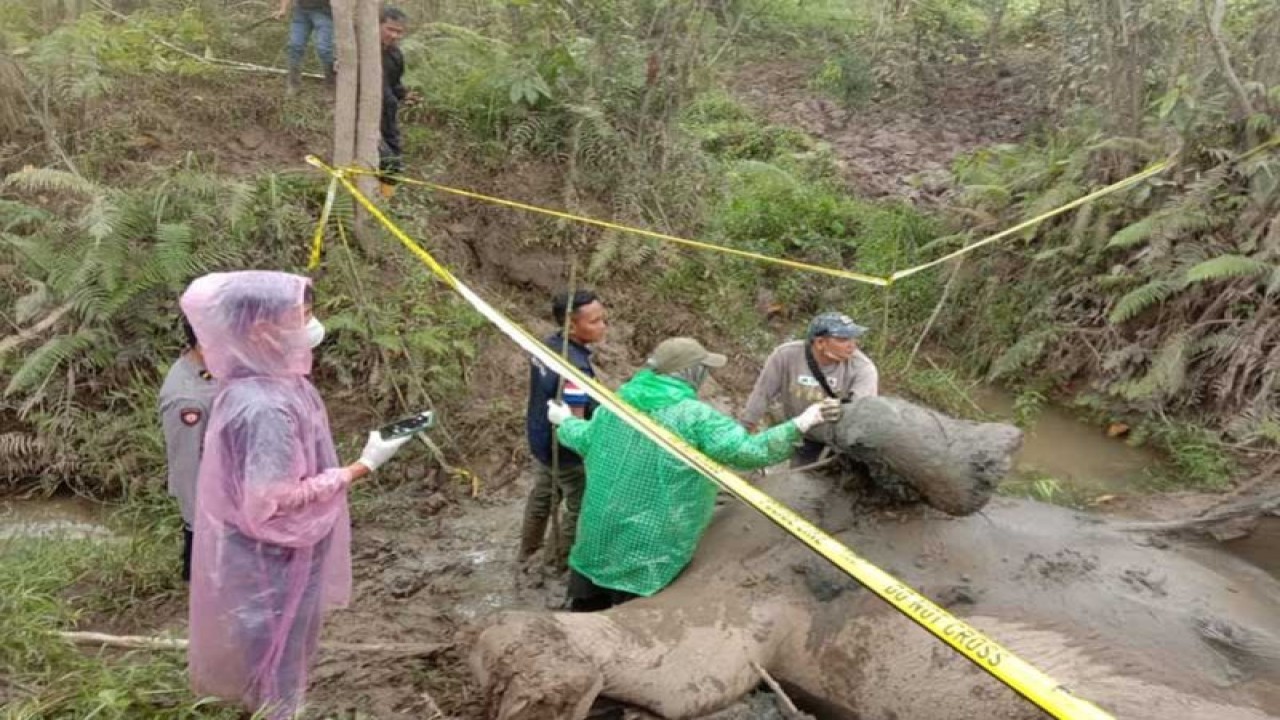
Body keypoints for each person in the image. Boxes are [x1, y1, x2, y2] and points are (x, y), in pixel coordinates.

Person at [181, 271, 412, 719]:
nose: (312, 326)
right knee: (277, 652)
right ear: (261, 330)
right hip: (271, 558)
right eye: (302, 317)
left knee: (275, 648)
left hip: (273, 554)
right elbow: (269, 500)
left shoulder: (272, 380)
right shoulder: (265, 404)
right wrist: (359, 468)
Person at [549, 337, 838, 611]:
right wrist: (799, 424)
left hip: (599, 532)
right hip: (651, 547)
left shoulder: (614, 404)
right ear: (690, 373)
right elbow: (748, 451)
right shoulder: (695, 417)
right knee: (633, 623)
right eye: (704, 369)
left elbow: (586, 437)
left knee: (583, 621)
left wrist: (565, 423)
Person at [518, 290, 607, 568]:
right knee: (578, 504)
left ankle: (527, 551)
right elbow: (576, 424)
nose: (603, 326)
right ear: (571, 324)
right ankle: (557, 562)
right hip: (564, 446)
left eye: (603, 319)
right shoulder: (575, 370)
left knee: (544, 492)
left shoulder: (548, 346)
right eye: (594, 321)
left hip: (540, 436)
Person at [741, 312, 878, 467]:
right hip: (798, 432)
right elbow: (762, 394)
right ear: (820, 342)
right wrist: (744, 430)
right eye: (843, 339)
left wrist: (843, 410)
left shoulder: (863, 369)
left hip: (836, 442)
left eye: (853, 338)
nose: (852, 345)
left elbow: (863, 412)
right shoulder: (786, 356)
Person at [159, 317, 218, 583]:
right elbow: (186, 467)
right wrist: (203, 527)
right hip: (210, 514)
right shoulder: (187, 399)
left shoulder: (212, 370)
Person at [378, 6, 409, 196]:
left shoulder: (396, 55)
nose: (395, 35)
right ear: (378, 25)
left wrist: (405, 94)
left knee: (395, 162)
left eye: (399, 31)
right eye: (390, 29)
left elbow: (395, 84)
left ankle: (384, 204)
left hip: (389, 119)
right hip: (366, 121)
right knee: (389, 162)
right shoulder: (361, 50)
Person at [275, 0, 334, 94]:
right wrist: (283, 9)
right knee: (294, 46)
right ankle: (294, 85)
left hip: (324, 12)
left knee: (324, 49)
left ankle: (331, 86)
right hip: (301, 11)